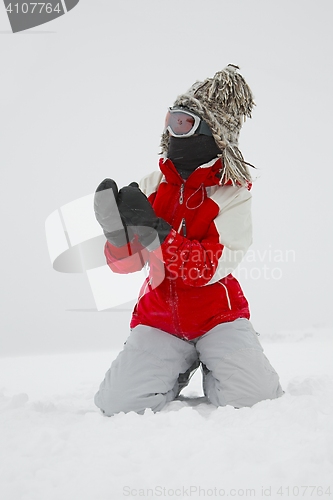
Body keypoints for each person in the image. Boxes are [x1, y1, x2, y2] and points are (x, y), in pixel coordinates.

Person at [93, 64, 283, 416]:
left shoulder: (232, 195)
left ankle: (217, 362)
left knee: (256, 401)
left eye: (186, 123)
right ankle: (176, 365)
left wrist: (157, 230)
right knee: (116, 405)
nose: (174, 131)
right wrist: (116, 237)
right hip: (160, 318)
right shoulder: (152, 184)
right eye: (172, 120)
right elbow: (128, 265)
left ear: (214, 133)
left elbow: (206, 269)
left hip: (218, 318)